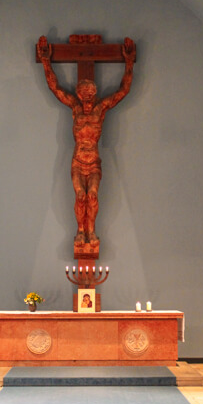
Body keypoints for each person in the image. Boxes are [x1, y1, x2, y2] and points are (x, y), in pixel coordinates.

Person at [37, 35, 135, 247]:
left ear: (95, 95)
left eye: (91, 95)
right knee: (81, 196)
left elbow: (123, 91)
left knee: (92, 196)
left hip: (94, 163)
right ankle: (81, 232)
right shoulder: (74, 108)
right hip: (78, 162)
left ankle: (91, 231)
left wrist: (129, 62)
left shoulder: (101, 110)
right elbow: (56, 88)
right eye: (85, 96)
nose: (88, 100)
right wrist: (46, 61)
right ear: (80, 96)